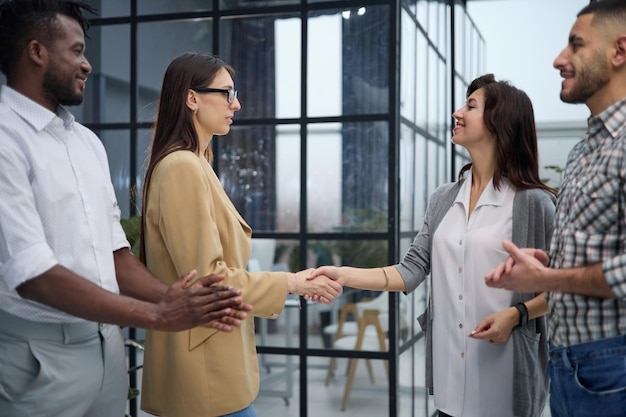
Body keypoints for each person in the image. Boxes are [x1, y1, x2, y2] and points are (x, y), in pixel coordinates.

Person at [0, 2, 253, 417]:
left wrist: (169, 295)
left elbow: (115, 253)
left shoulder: (86, 144)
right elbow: (32, 274)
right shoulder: (6, 137)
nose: (87, 65)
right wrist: (156, 312)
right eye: (76, 50)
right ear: (36, 52)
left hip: (107, 348)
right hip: (37, 355)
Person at [309, 74, 556, 417]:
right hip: (449, 381)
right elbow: (410, 270)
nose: (457, 112)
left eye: (470, 106)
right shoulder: (443, 198)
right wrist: (341, 274)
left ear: (501, 122)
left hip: (505, 381)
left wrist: (516, 315)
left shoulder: (532, 203)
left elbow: (561, 286)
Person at [139, 51, 343, 417]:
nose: (237, 103)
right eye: (227, 93)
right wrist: (294, 283)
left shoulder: (197, 163)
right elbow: (208, 279)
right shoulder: (183, 167)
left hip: (210, 362)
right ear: (192, 98)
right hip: (203, 371)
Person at [485, 1, 626, 416]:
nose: (558, 59)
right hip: (568, 367)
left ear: (619, 51)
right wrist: (553, 264)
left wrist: (549, 276)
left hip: (613, 366)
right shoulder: (585, 150)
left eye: (575, 45)